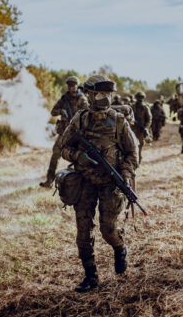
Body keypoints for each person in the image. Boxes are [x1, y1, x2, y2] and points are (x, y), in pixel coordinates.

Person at [60, 75, 139, 293]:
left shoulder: (119, 121)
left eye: (108, 95)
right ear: (90, 95)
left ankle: (120, 248)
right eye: (100, 94)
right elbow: (62, 147)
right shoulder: (80, 119)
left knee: (108, 230)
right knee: (83, 234)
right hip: (84, 182)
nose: (104, 99)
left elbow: (133, 153)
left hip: (110, 184)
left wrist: (124, 173)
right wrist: (78, 157)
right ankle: (91, 277)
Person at [40, 76, 88, 188]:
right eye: (69, 85)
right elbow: (53, 112)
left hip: (76, 134)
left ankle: (78, 184)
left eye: (73, 85)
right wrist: (61, 110)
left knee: (78, 158)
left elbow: (87, 115)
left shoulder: (82, 99)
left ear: (77, 85)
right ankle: (49, 181)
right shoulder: (64, 98)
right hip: (64, 133)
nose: (71, 88)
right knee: (55, 154)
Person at [131, 91, 152, 164]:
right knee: (132, 145)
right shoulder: (132, 107)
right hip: (132, 129)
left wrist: (146, 128)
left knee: (139, 145)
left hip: (141, 130)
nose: (140, 100)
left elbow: (149, 119)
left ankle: (138, 161)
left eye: (141, 98)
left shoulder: (145, 107)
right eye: (138, 98)